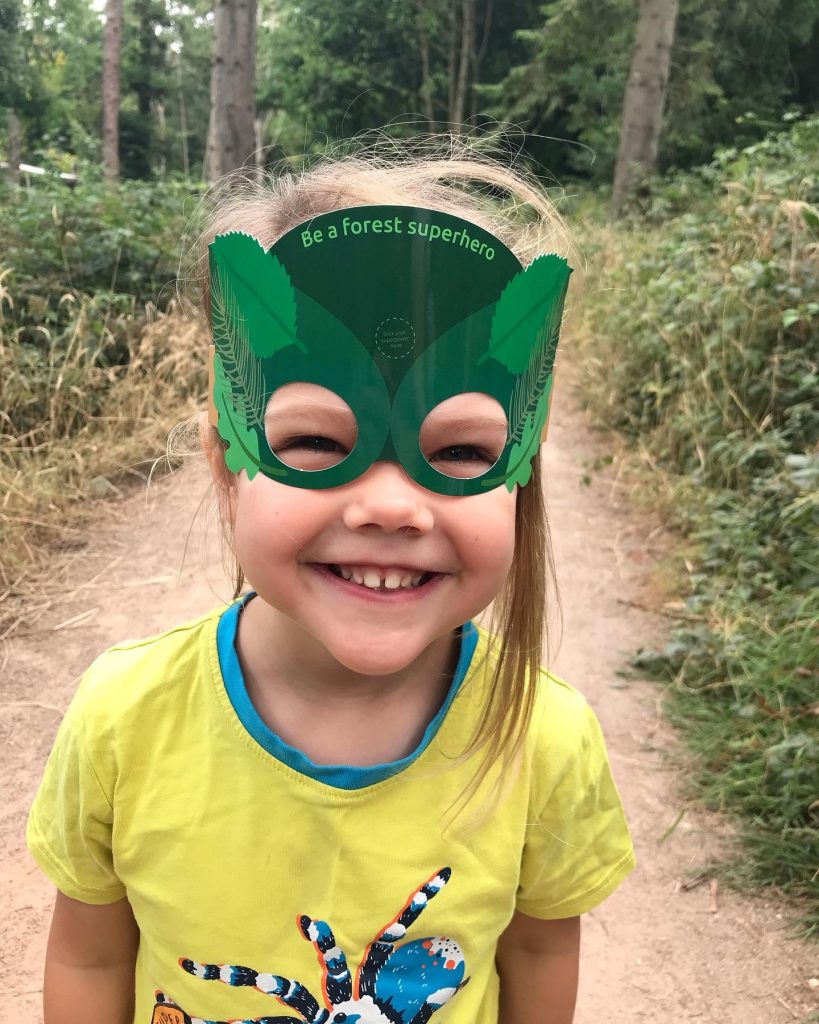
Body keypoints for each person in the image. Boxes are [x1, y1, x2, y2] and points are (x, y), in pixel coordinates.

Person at [27, 145, 635, 1024]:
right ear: (227, 466)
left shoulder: (544, 738)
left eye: (459, 454)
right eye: (315, 444)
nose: (393, 506)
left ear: (518, 478)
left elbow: (540, 950)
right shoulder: (125, 715)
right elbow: (87, 958)